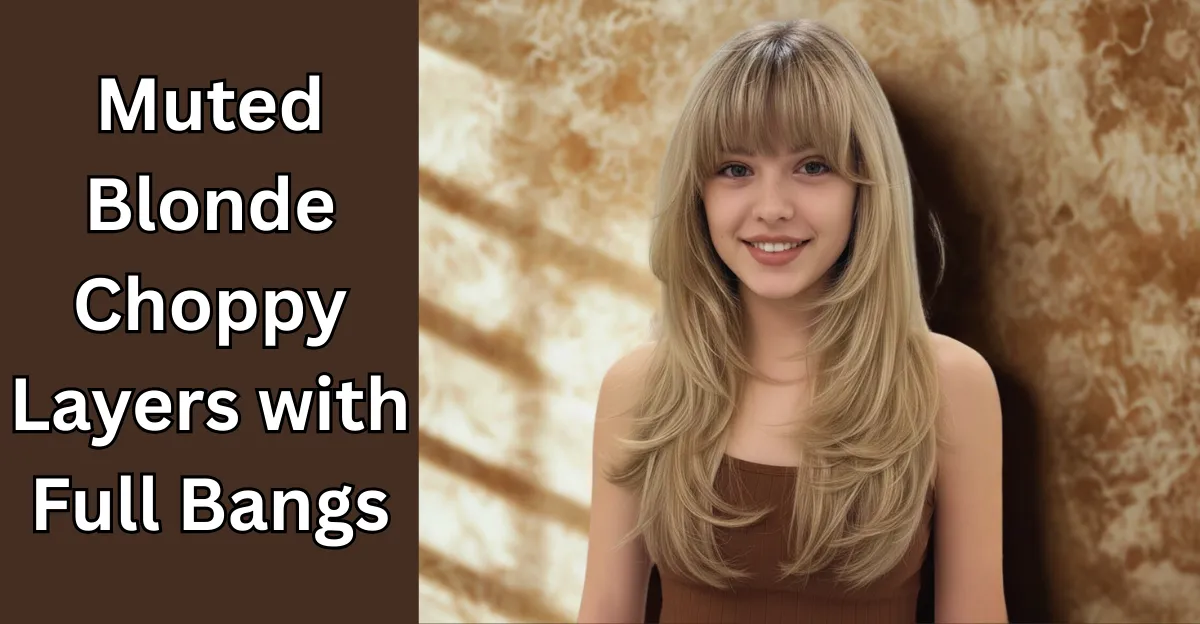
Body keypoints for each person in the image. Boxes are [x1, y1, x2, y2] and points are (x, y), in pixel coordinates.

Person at [576, 18, 1008, 624]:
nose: (773, 208)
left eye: (812, 167)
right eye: (735, 169)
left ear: (867, 189)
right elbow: (604, 610)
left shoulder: (950, 384)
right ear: (696, 194)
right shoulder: (640, 389)